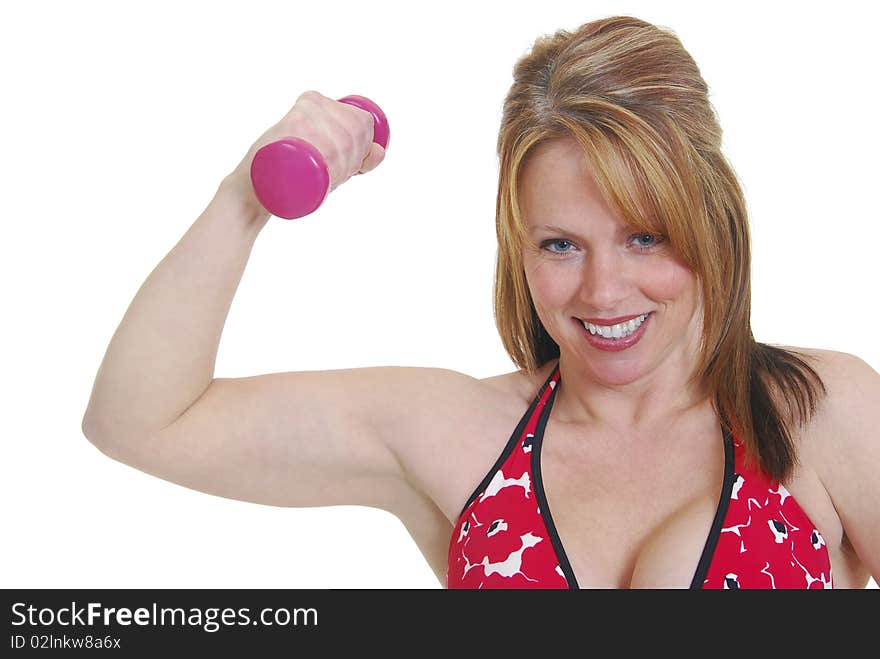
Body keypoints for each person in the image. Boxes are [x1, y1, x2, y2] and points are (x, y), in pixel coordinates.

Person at [81, 15, 879, 589]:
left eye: (646, 238)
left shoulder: (821, 411)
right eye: (560, 245)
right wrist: (243, 197)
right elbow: (140, 422)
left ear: (710, 221)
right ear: (518, 246)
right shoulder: (459, 437)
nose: (603, 292)